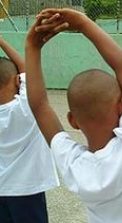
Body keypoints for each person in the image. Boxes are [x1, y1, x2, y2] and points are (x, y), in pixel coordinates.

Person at [25, 8, 122, 223]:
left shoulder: (79, 169)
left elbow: (40, 106)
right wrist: (82, 23)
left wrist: (32, 47)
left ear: (73, 121)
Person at [0, 36, 59, 223]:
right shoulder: (27, 107)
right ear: (18, 81)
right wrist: (1, 40)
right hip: (27, 190)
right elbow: (27, 68)